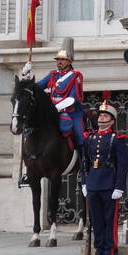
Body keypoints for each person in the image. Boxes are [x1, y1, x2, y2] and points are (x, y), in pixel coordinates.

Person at [19, 48, 87, 187]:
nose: (59, 62)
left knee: (79, 135)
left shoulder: (75, 76)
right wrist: (25, 74)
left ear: (69, 62)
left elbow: (74, 97)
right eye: (58, 60)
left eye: (62, 60)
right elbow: (35, 88)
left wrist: (55, 108)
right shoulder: (52, 75)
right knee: (30, 131)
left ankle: (84, 166)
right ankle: (30, 169)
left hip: (70, 110)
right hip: (52, 111)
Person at [82, 102, 128, 255]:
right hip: (93, 183)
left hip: (109, 184)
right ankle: (99, 250)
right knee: (96, 220)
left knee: (110, 219)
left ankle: (109, 250)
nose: (101, 118)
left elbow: (122, 166)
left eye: (105, 116)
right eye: (100, 115)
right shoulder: (91, 138)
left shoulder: (117, 139)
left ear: (112, 121)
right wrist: (84, 183)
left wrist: (119, 187)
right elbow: (85, 162)